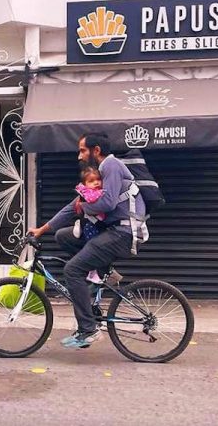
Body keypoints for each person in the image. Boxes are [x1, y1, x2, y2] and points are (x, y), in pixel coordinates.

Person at [28, 132, 146, 349]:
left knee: (72, 270)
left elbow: (109, 203)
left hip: (124, 233)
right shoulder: (97, 177)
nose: (79, 156)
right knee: (63, 236)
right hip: (113, 231)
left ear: (96, 151)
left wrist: (83, 207)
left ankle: (88, 329)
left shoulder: (111, 165)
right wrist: (41, 230)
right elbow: (71, 208)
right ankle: (103, 273)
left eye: (82, 150)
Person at [73, 166, 106, 284]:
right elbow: (92, 199)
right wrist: (105, 192)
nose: (96, 183)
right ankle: (92, 273)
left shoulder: (85, 192)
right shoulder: (89, 193)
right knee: (93, 248)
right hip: (90, 225)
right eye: (91, 181)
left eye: (98, 179)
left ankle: (96, 272)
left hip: (95, 223)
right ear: (85, 184)